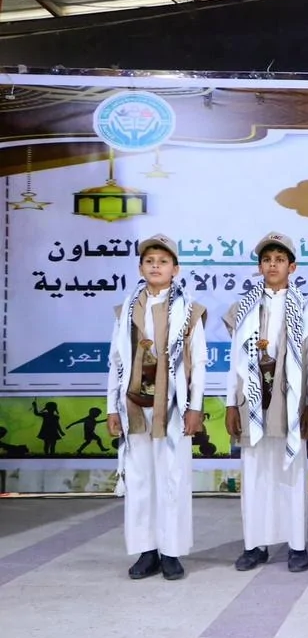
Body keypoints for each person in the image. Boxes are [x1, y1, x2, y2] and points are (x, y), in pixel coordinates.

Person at [106, 233, 208, 581]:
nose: (155, 266)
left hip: (174, 407)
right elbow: (116, 361)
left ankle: (171, 552)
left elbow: (199, 363)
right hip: (135, 405)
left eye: (163, 261)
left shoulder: (189, 311)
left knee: (172, 478)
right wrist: (112, 408)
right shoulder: (126, 311)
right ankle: (146, 551)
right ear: (140, 268)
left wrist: (195, 407)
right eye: (149, 261)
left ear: (175, 269)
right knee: (140, 479)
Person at [224, 233, 308, 573]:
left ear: (292, 267)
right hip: (252, 398)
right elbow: (235, 360)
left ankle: (296, 546)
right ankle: (255, 545)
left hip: (289, 399)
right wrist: (230, 404)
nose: (273, 265)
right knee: (255, 473)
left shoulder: (307, 309)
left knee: (292, 471)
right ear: (260, 266)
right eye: (267, 260)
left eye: (280, 259)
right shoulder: (243, 309)